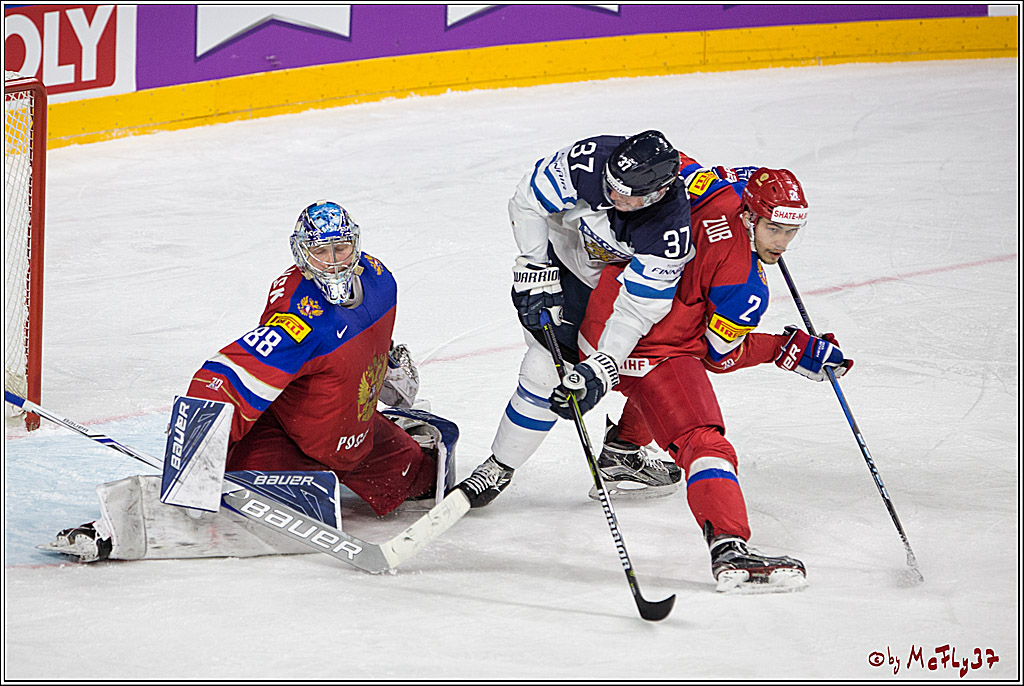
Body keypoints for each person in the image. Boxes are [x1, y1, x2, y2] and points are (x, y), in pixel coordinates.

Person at [41, 200, 458, 562]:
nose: (333, 261)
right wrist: (194, 458)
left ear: (356, 245)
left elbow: (366, 341)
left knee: (424, 478)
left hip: (351, 435)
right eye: (320, 251)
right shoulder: (299, 320)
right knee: (258, 509)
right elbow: (225, 378)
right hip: (287, 439)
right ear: (302, 254)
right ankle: (110, 530)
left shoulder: (381, 281)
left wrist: (387, 367)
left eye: (341, 247)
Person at [577, 159, 853, 592]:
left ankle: (622, 453)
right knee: (704, 440)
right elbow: (718, 357)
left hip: (599, 318)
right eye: (773, 229)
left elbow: (673, 164)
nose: (781, 243)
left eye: (790, 231)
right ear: (751, 216)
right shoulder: (745, 287)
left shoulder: (720, 187)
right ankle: (730, 549)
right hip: (647, 348)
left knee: (668, 387)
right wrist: (785, 349)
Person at [455, 130, 695, 508]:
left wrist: (604, 365)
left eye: (626, 195)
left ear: (657, 194)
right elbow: (528, 200)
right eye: (610, 185)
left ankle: (624, 449)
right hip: (559, 257)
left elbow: (637, 309)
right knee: (543, 368)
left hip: (607, 288)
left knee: (641, 366)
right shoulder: (591, 159)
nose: (613, 196)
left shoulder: (668, 231)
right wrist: (534, 266)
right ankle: (500, 465)